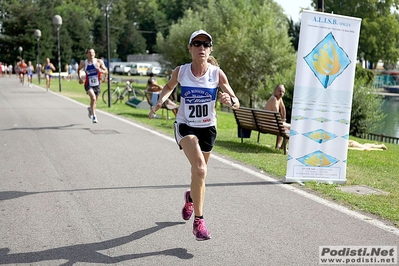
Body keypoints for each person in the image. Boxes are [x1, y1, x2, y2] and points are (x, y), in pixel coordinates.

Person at [148, 30, 240, 241]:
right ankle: (199, 222)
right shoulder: (181, 72)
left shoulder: (217, 74)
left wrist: (230, 101)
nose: (201, 48)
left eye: (206, 44)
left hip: (208, 128)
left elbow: (236, 101)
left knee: (199, 173)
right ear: (189, 48)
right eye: (197, 44)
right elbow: (169, 88)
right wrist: (159, 102)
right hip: (186, 125)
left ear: (210, 49)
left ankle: (191, 196)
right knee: (200, 168)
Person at [78, 48, 108, 123]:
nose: (91, 54)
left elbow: (106, 71)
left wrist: (101, 70)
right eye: (89, 53)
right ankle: (94, 116)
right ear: (87, 54)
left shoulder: (99, 62)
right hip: (88, 84)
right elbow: (78, 69)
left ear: (95, 54)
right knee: (93, 98)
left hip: (97, 84)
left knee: (94, 101)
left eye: (93, 53)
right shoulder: (84, 63)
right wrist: (80, 78)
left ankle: (90, 109)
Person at [264, 84, 291, 149]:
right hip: (268, 123)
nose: (281, 93)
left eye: (283, 92)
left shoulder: (279, 99)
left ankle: (279, 146)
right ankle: (282, 147)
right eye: (279, 91)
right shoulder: (274, 99)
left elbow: (283, 108)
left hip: (269, 123)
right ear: (275, 91)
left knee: (284, 128)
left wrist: (284, 119)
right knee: (291, 128)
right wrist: (282, 122)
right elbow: (276, 113)